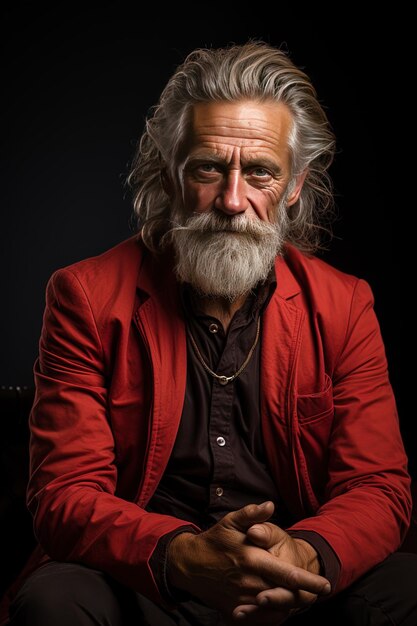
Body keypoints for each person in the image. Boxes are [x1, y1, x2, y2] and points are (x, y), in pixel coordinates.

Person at [4, 41, 416, 626]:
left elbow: (379, 487)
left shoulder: (345, 305)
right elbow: (64, 495)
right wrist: (182, 555)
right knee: (54, 603)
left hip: (292, 586)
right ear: (172, 173)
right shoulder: (84, 296)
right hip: (147, 580)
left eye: (260, 173)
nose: (231, 199)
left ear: (293, 186)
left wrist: (304, 553)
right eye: (208, 168)